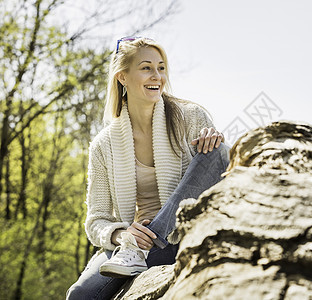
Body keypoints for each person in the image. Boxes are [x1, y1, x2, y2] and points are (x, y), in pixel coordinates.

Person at [66, 37, 230, 299]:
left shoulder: (191, 116)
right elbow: (96, 220)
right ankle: (137, 248)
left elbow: (220, 174)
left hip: (184, 230)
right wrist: (121, 235)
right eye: (146, 68)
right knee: (80, 294)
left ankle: (144, 244)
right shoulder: (102, 146)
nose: (157, 76)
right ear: (122, 77)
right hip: (136, 242)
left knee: (219, 150)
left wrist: (216, 143)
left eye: (161, 67)